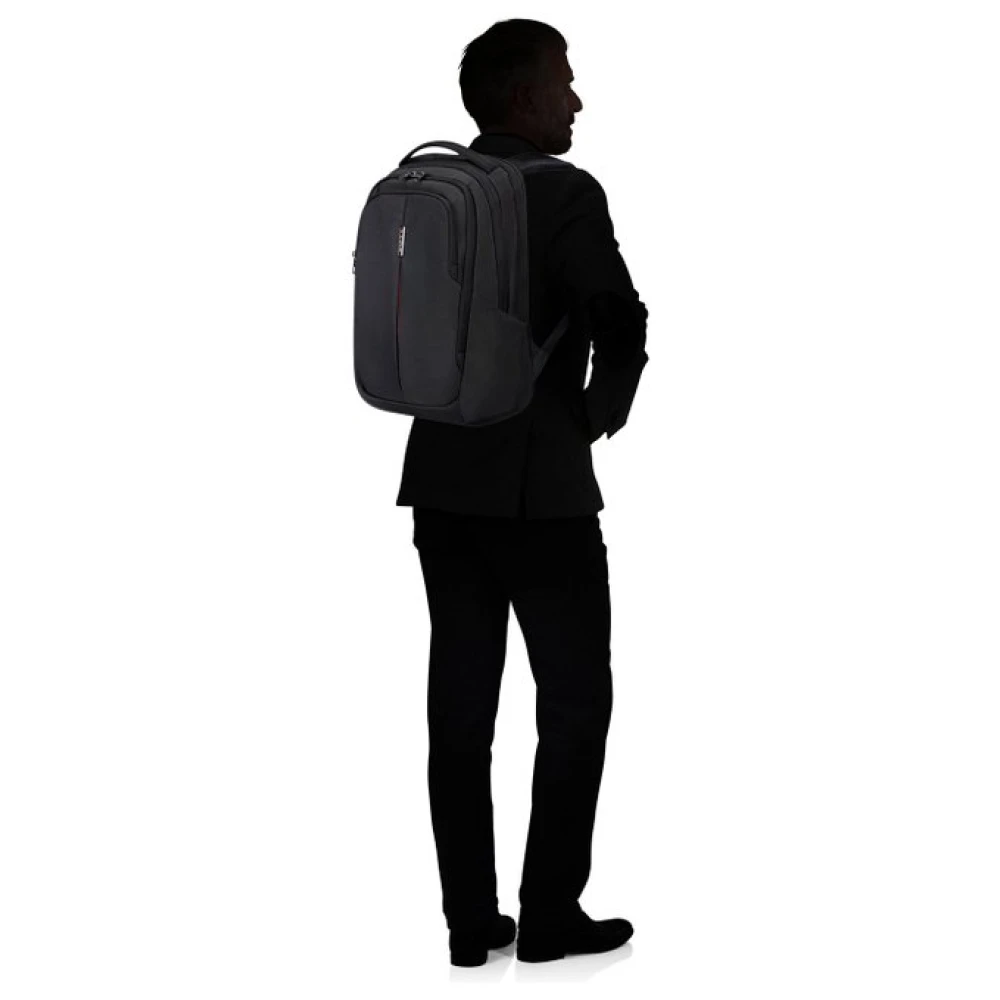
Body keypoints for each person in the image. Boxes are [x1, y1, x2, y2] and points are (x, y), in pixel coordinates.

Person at [395, 19, 647, 965]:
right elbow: (619, 316)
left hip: (440, 479)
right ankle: (547, 915)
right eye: (564, 82)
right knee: (574, 703)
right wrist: (595, 415)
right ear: (522, 96)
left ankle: (469, 923)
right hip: (543, 490)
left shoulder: (434, 191)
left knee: (459, 708)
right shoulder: (567, 191)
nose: (576, 100)